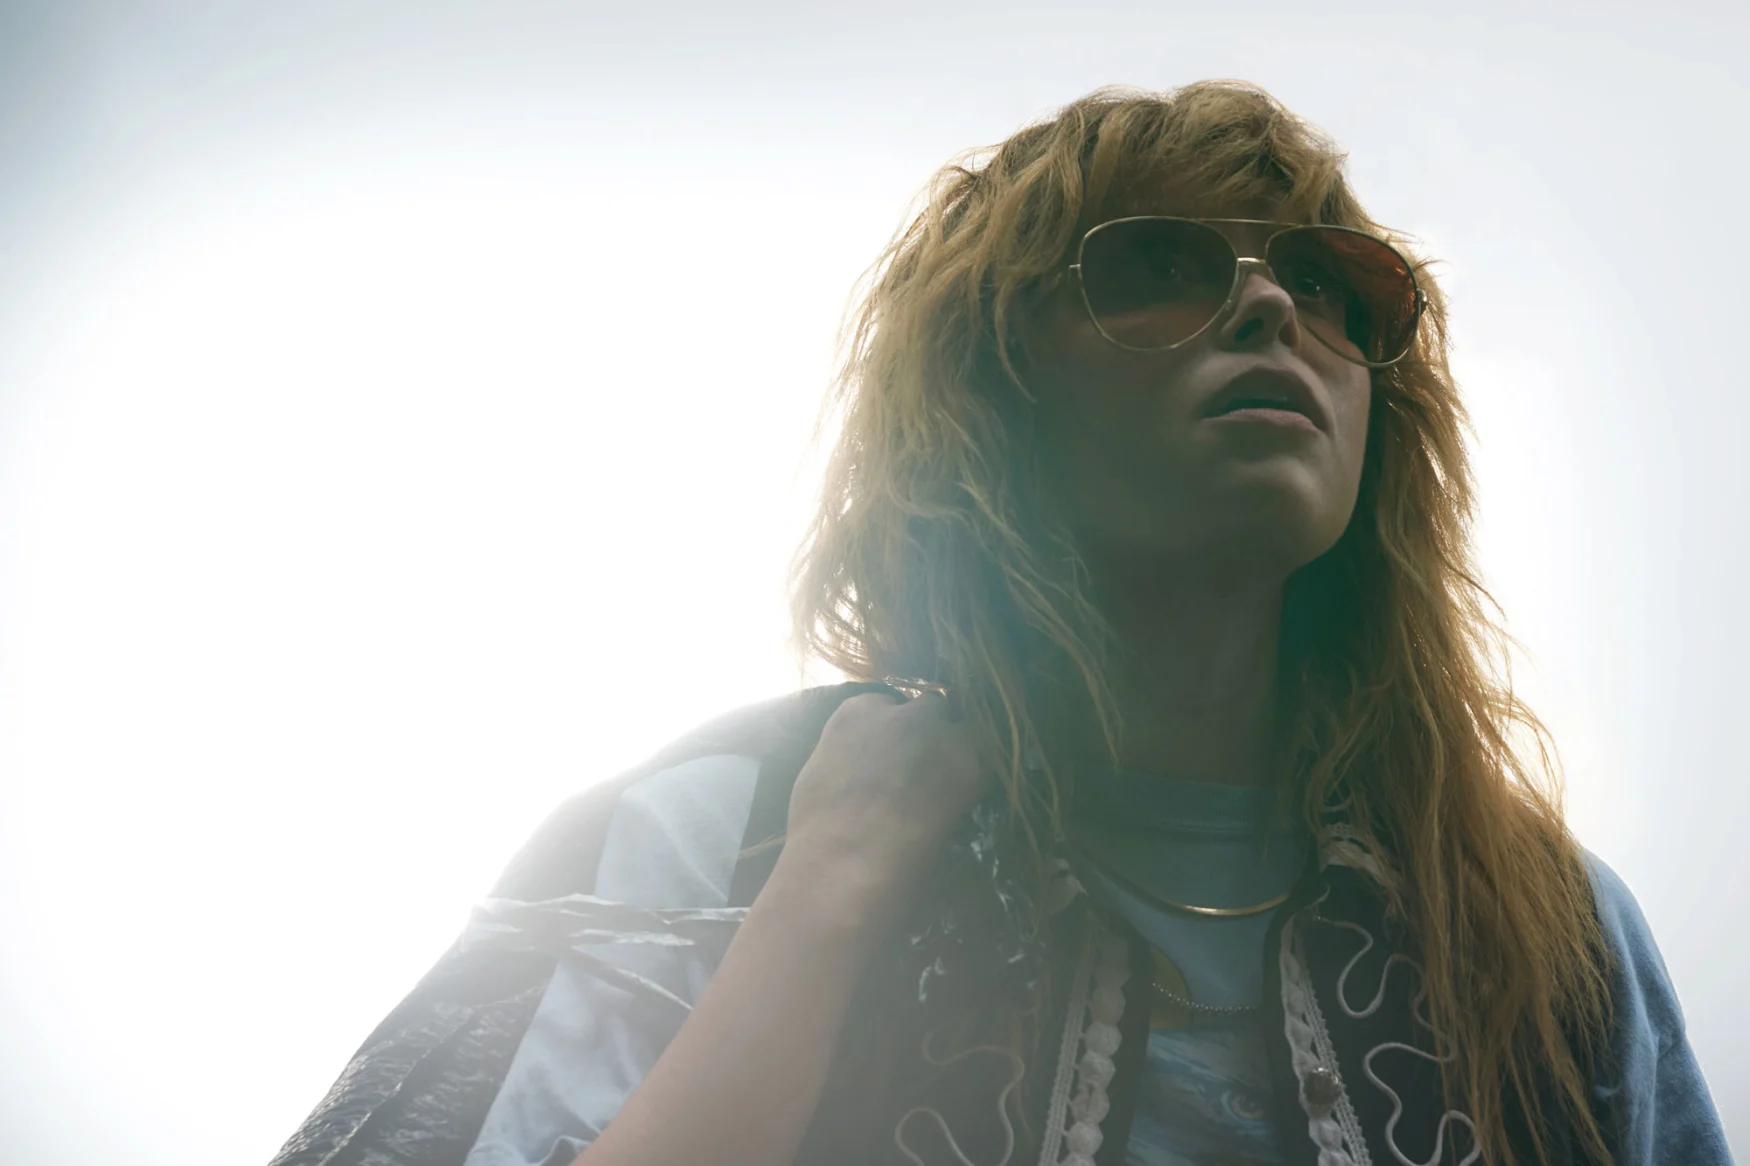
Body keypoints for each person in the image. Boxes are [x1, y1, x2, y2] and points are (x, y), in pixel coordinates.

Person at [270, 81, 1731, 1166]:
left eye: (1329, 286)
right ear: (992, 392)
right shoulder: (722, 826)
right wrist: (823, 896)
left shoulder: (1542, 924)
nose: (1266, 308)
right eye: (1155, 266)